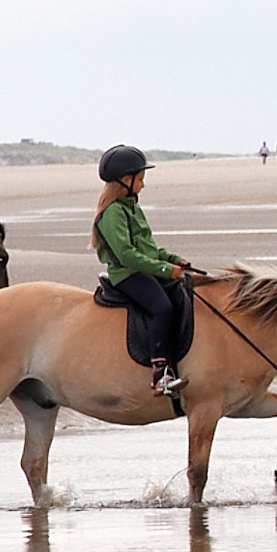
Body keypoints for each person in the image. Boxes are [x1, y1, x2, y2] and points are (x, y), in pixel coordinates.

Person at [92, 144, 200, 395]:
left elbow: (149, 249)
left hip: (143, 269)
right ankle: (160, 375)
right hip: (127, 274)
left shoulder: (132, 207)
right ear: (125, 180)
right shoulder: (113, 213)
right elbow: (127, 256)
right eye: (139, 179)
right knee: (162, 307)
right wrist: (165, 269)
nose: (143, 184)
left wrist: (174, 260)